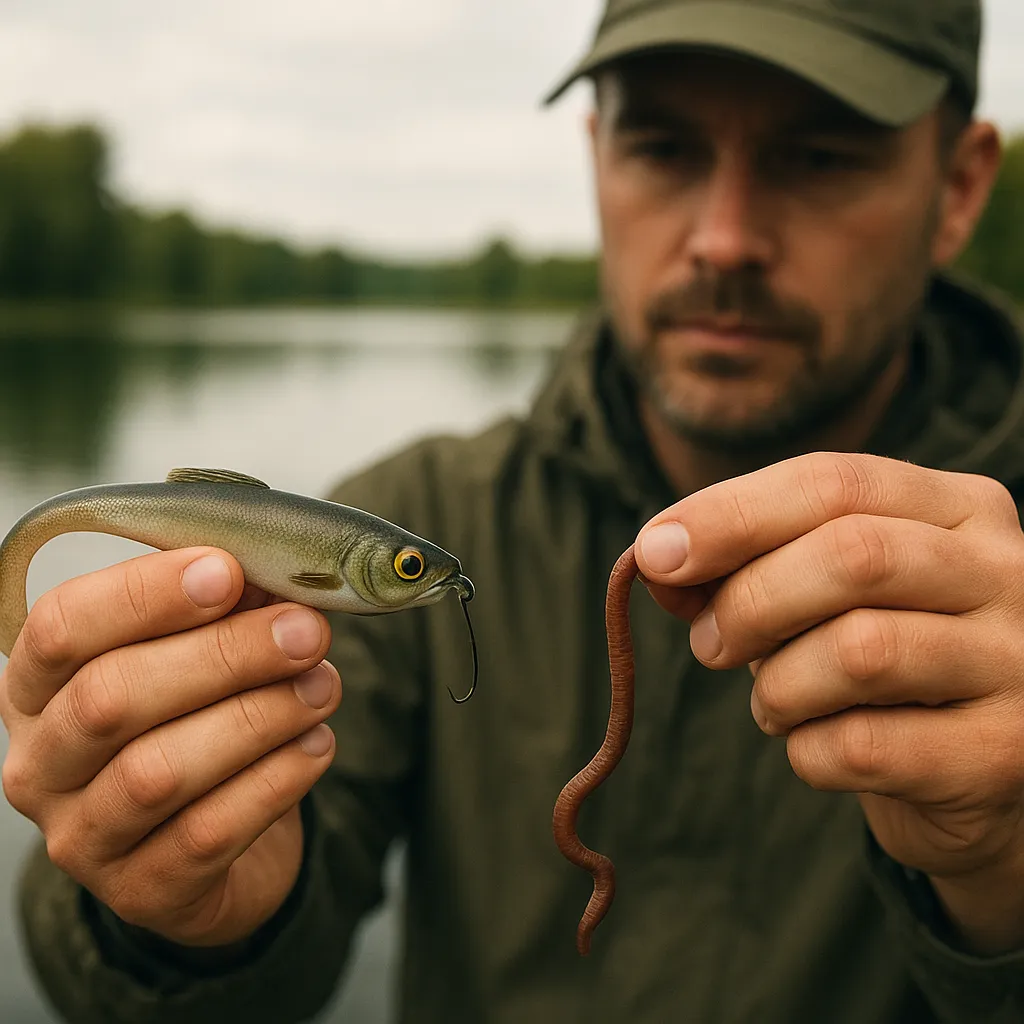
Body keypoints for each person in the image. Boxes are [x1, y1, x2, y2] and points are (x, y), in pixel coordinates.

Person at [4, 0, 1024, 1020]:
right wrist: (177, 906)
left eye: (820, 157)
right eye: (663, 148)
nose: (723, 239)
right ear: (595, 155)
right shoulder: (415, 508)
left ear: (959, 184)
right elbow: (156, 973)